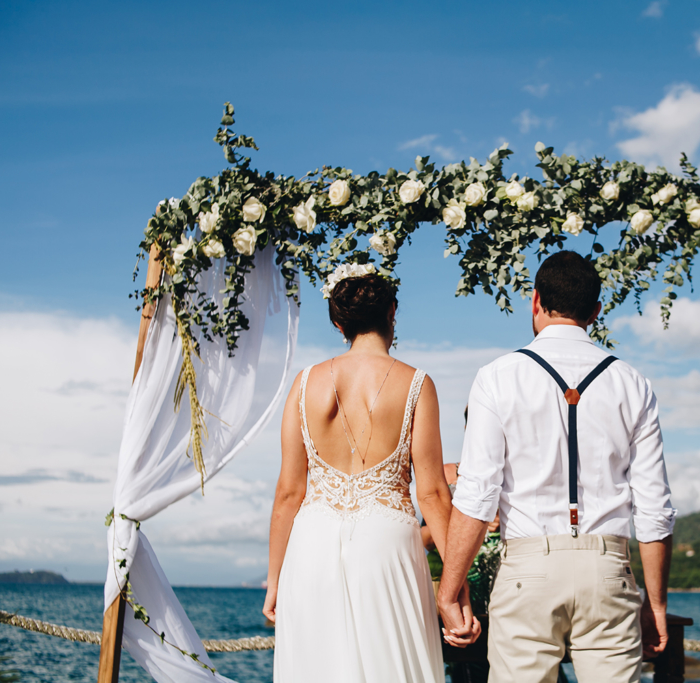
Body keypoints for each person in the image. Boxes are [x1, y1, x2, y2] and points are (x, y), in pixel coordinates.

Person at [437, 250, 677, 683]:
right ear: (596, 312)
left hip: (528, 570)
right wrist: (655, 604)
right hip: (608, 568)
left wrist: (449, 590)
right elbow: (655, 508)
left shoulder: (497, 376)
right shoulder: (633, 382)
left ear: (535, 301)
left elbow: (477, 494)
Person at [264, 266, 479, 682]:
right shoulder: (417, 383)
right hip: (387, 544)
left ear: (337, 322)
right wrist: (455, 586)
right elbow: (432, 492)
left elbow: (289, 493)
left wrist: (275, 578)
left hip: (311, 545)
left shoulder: (304, 383)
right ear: (392, 312)